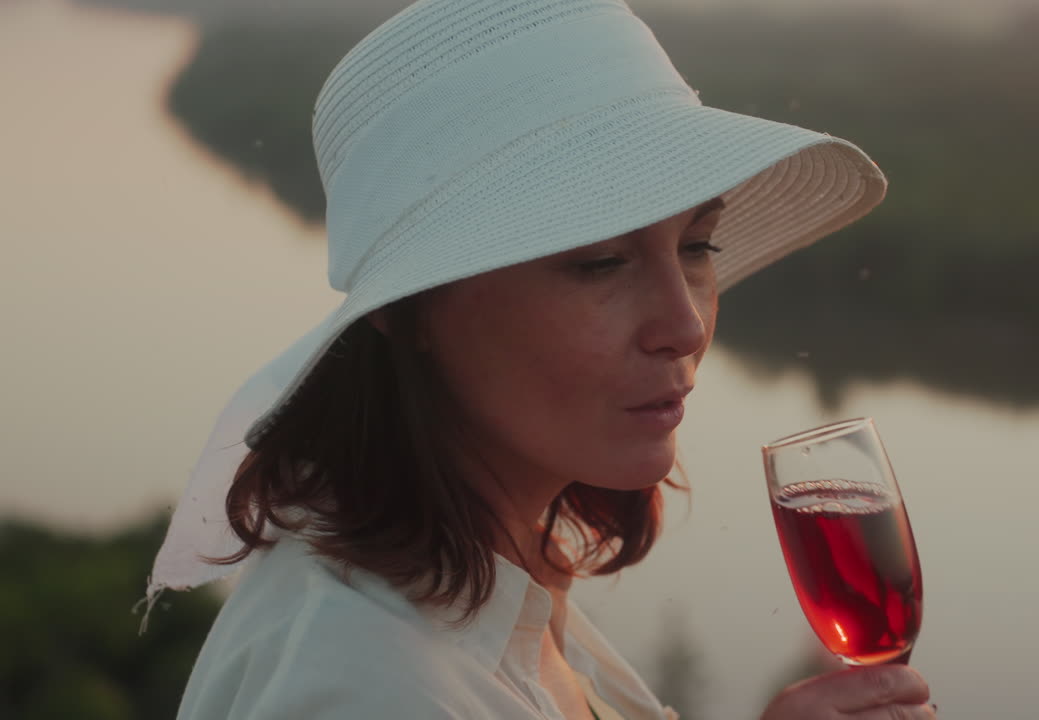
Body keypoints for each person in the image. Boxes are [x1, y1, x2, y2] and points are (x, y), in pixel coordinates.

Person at [145, 0, 935, 717]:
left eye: (699, 244)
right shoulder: (365, 685)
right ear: (407, 310)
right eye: (599, 262)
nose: (685, 325)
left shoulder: (491, 580)